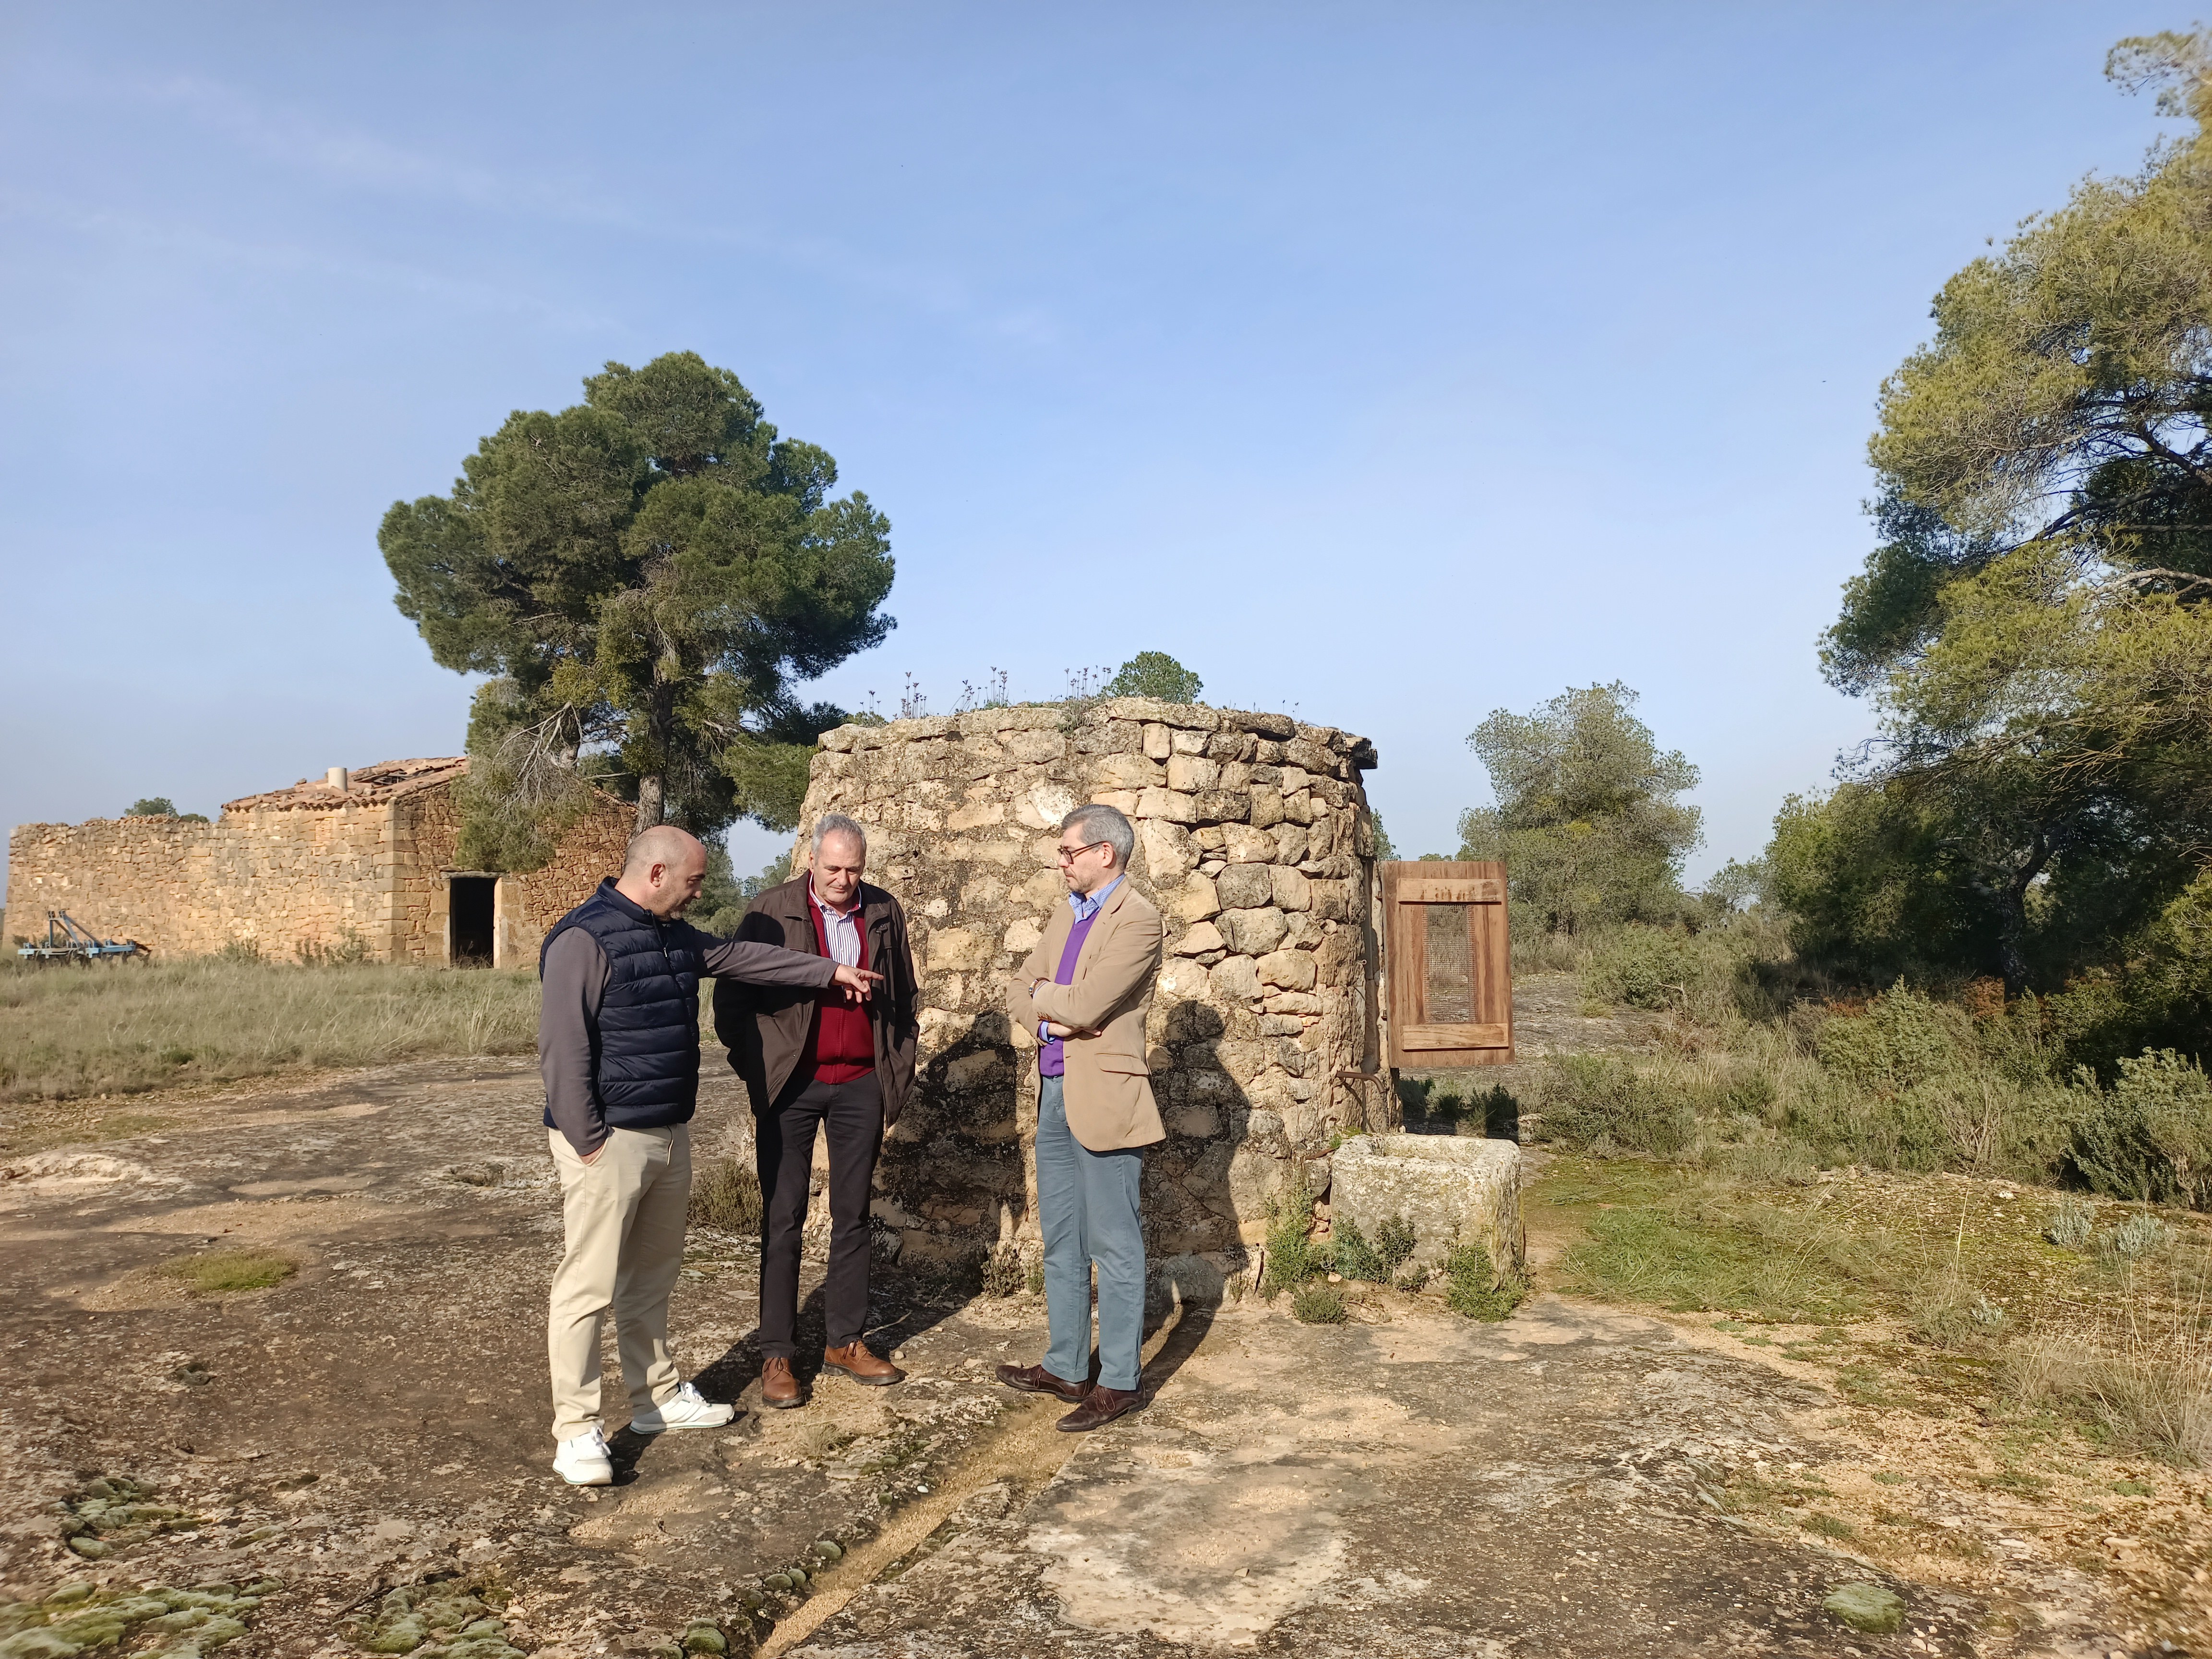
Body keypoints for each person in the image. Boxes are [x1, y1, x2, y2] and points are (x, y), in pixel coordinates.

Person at [539, 823, 880, 1487]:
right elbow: (562, 1048)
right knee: (588, 1286)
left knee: (654, 1277)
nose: (701, 891)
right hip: (608, 1142)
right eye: (695, 880)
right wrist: (587, 1141)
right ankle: (577, 1431)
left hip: (668, 1132)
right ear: (659, 873)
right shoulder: (583, 938)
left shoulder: (671, 933)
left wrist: (828, 971)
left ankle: (658, 1400)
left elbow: (742, 960)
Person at [713, 814, 918, 1408]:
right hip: (792, 1086)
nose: (844, 880)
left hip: (860, 1084)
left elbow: (904, 997)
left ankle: (844, 1342)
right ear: (812, 859)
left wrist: (895, 1068)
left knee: (853, 1214)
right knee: (784, 1216)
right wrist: (757, 1065)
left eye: (854, 869)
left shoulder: (882, 910)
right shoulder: (770, 910)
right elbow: (732, 996)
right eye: (833, 868)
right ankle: (777, 1352)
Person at [999, 803, 1166, 1432]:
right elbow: (1023, 986)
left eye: (1069, 851)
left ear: (1106, 853)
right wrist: (1050, 1016)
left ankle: (1120, 1380)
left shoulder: (1139, 920)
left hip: (1107, 1100)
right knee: (1062, 1242)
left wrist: (1055, 1002)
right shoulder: (1064, 914)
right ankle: (1067, 1365)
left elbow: (1093, 1003)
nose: (1060, 861)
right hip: (1054, 1092)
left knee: (1115, 1245)